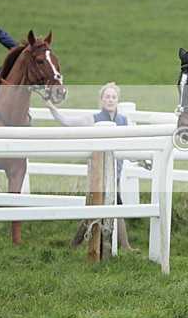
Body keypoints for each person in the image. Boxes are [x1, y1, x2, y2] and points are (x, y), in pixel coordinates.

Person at [44, 82, 139, 253]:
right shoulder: (93, 119)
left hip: (115, 172)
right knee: (110, 205)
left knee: (102, 205)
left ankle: (76, 243)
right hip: (98, 172)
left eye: (113, 97)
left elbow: (137, 140)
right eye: (107, 97)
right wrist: (50, 106)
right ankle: (124, 246)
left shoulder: (125, 121)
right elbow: (67, 122)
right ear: (102, 100)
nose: (110, 100)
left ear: (117, 100)